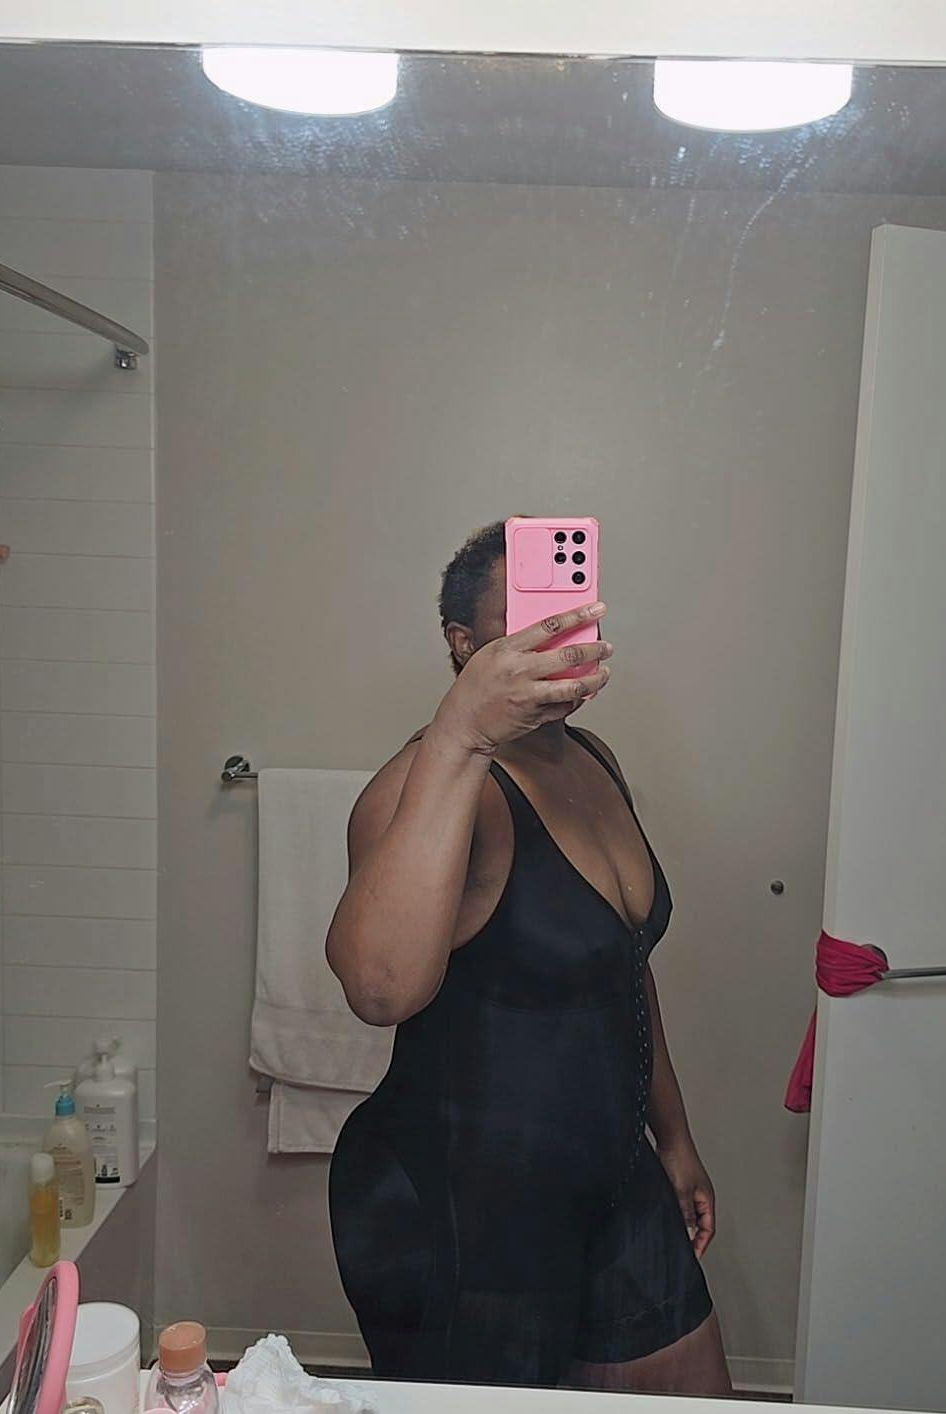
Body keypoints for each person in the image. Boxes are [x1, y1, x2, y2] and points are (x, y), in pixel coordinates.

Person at [327, 521, 731, 1396]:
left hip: (611, 1177)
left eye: (569, 622)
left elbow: (622, 970)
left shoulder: (592, 759)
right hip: (463, 1211)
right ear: (462, 645)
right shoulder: (423, 788)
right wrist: (459, 737)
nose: (555, 644)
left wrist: (675, 1136)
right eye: (525, 627)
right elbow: (377, 989)